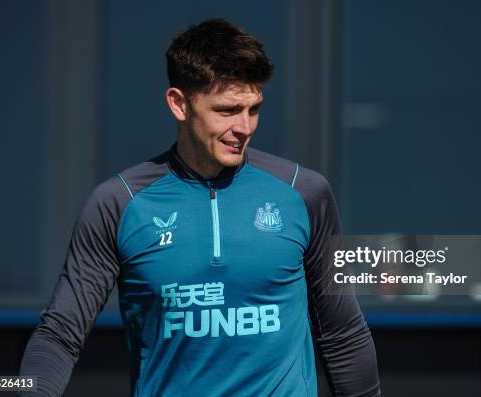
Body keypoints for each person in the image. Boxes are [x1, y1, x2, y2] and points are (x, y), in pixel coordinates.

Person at [20, 18, 381, 396]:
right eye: (226, 110)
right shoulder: (118, 204)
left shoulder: (305, 192)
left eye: (253, 108)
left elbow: (342, 331)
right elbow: (59, 334)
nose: (245, 127)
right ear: (179, 104)